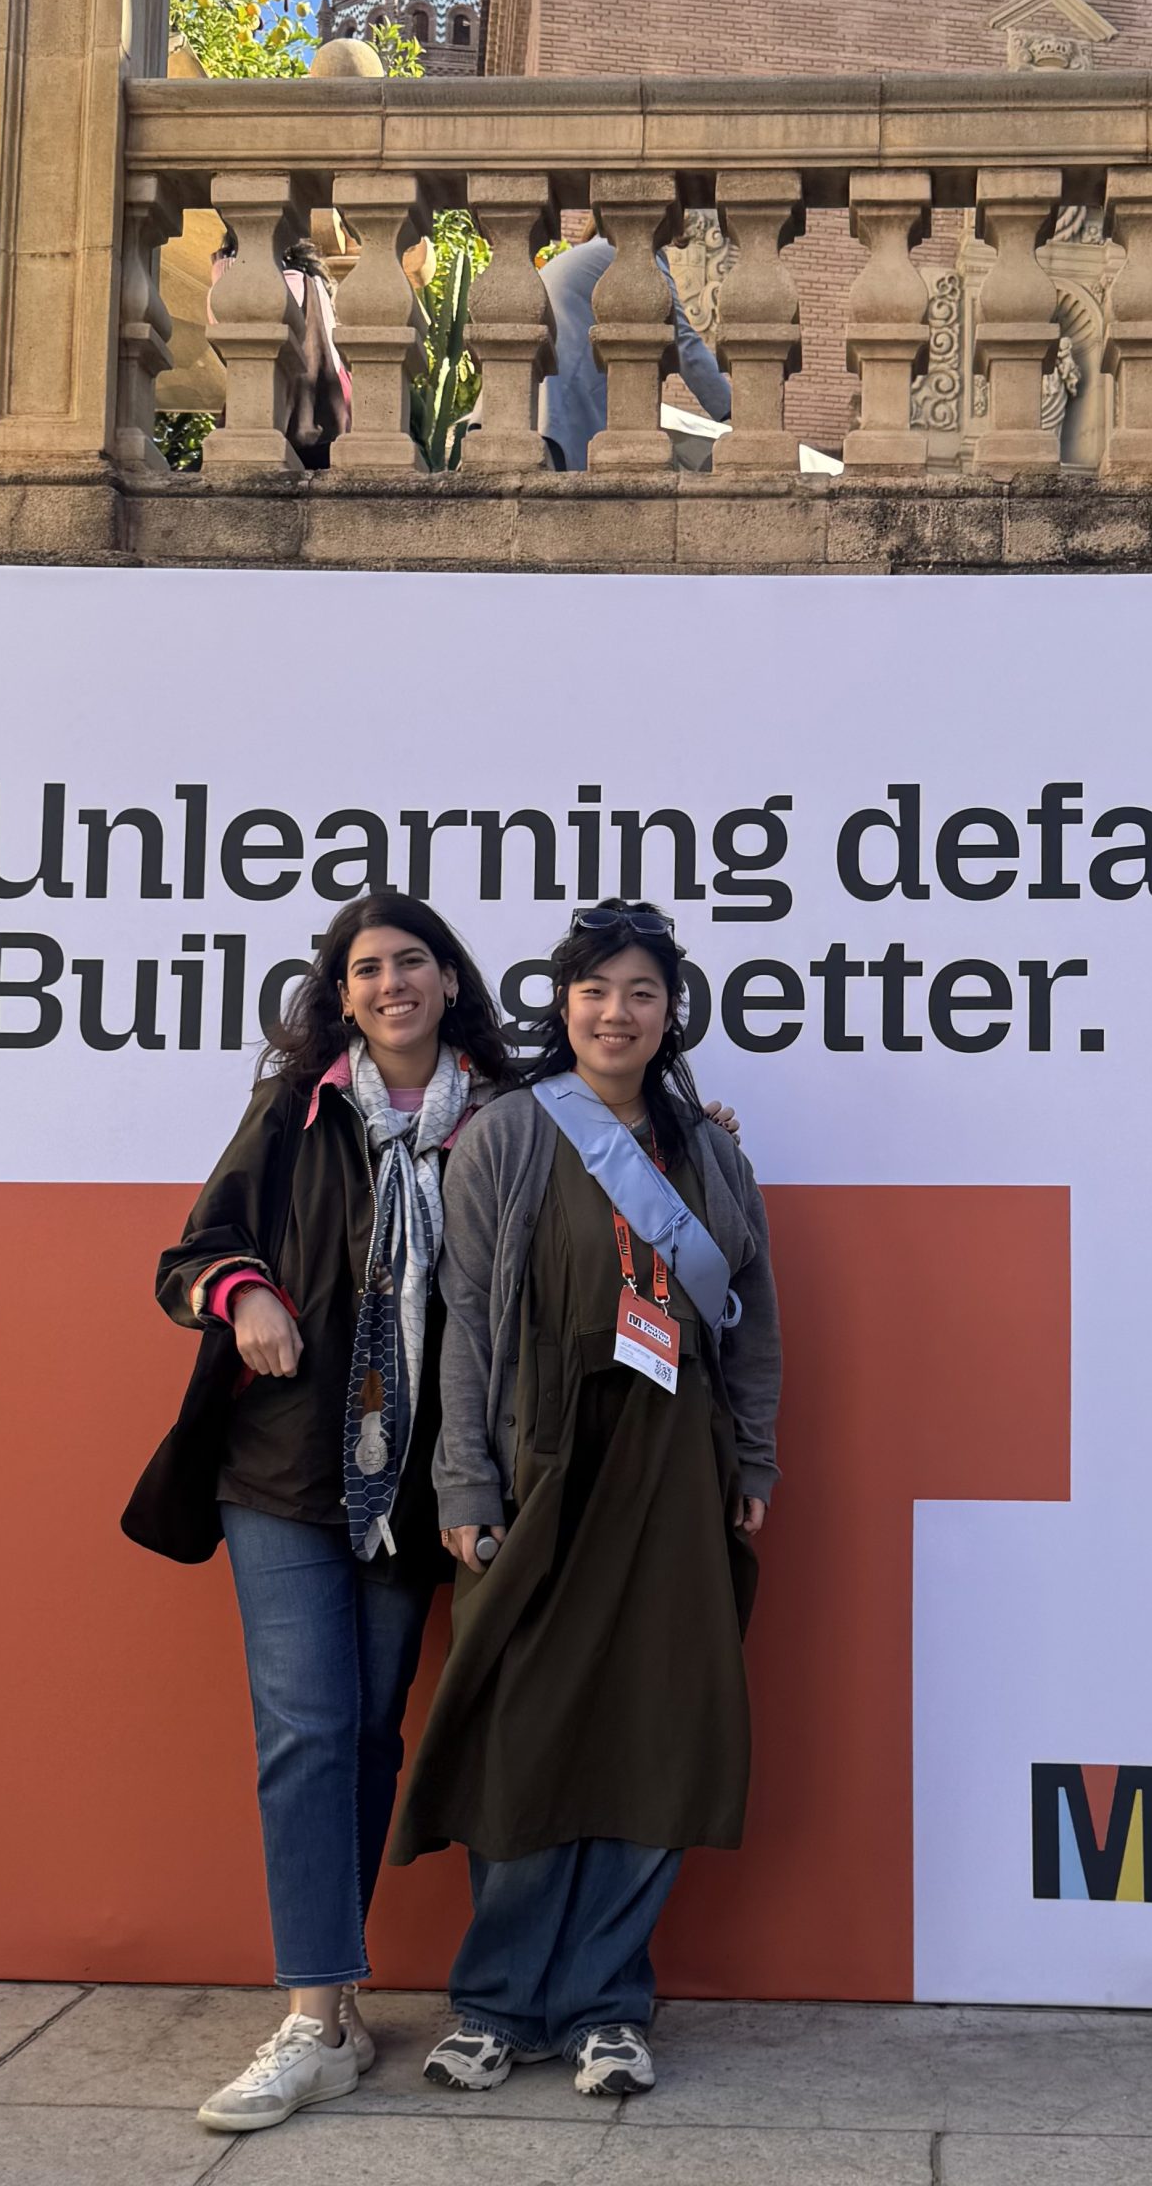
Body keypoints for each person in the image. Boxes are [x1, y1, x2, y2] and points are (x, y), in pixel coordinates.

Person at [125, 894, 512, 2134]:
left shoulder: (507, 1119)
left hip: (418, 1483)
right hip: (282, 1467)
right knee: (305, 1728)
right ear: (339, 996)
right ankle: (310, 2016)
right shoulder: (295, 1112)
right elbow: (194, 1249)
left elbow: (601, 1183)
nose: (390, 982)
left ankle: (337, 2012)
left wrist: (691, 1126)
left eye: (411, 961)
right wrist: (241, 1295)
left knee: (366, 1733)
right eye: (366, 969)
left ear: (450, 980)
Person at [391, 901, 782, 2099]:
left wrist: (752, 1461)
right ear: (564, 1005)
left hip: (676, 1469)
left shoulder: (709, 1151)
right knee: (525, 1731)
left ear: (672, 1016)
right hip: (541, 1463)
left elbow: (752, 1319)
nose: (619, 1011)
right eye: (597, 989)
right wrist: (465, 1477)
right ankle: (500, 2001)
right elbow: (459, 1328)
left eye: (644, 993)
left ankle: (611, 2002)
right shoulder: (507, 1135)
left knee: (655, 1731)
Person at [538, 236, 731, 472]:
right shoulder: (635, 258)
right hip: (562, 413)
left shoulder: (594, 253)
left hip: (523, 410)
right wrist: (736, 416)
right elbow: (684, 344)